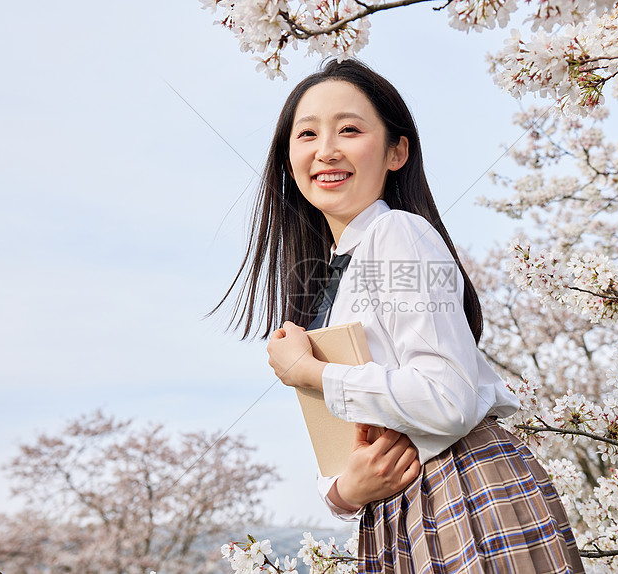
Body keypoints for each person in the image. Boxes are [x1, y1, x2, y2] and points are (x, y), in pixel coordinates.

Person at [218, 58, 585, 574]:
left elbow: (449, 398)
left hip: (459, 488)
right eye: (306, 134)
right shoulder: (330, 278)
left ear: (396, 151)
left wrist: (312, 373)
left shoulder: (398, 234)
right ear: (287, 158)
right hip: (396, 518)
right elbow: (345, 442)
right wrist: (346, 493)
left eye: (349, 129)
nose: (326, 150)